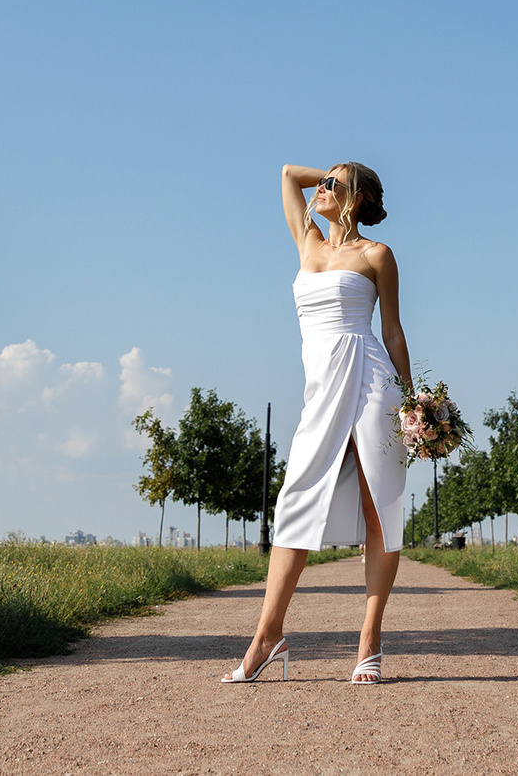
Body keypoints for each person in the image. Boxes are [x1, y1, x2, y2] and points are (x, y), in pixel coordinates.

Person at [221, 162, 410, 685]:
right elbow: (285, 174)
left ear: (356, 199)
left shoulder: (377, 255)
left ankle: (369, 642)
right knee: (295, 501)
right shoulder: (306, 242)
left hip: (372, 380)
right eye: (322, 183)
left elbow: (392, 331)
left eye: (333, 185)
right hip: (322, 387)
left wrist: (413, 402)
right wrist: (335, 167)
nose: (320, 188)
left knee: (380, 505)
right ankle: (268, 635)